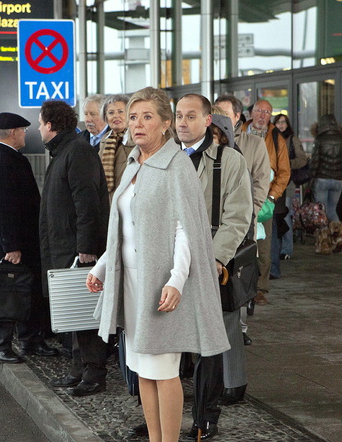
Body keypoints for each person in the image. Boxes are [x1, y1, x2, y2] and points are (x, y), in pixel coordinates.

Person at [87, 87, 229, 442]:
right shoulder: (134, 163)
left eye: (147, 116)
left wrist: (177, 280)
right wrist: (102, 267)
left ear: (166, 123)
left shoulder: (176, 166)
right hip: (133, 284)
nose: (137, 124)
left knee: (164, 371)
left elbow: (187, 232)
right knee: (142, 371)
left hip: (160, 284)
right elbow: (123, 229)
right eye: (133, 117)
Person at [176, 94, 252, 439]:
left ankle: (206, 417)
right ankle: (160, 415)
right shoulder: (163, 159)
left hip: (211, 263)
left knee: (210, 344)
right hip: (168, 264)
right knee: (168, 344)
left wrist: (217, 259)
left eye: (190, 116)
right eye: (178, 115)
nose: (182, 122)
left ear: (208, 120)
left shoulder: (228, 160)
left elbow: (238, 217)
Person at [39, 100, 110, 397]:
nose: (40, 128)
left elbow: (87, 203)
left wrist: (87, 247)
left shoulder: (77, 151)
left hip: (76, 250)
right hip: (63, 246)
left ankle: (94, 374)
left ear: (52, 124)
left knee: (85, 314)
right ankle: (79, 369)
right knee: (74, 314)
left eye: (41, 122)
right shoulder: (65, 150)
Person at [0, 112, 57, 364]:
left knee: (26, 290)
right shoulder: (2, 161)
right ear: (13, 133)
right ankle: (0, 345)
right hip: (14, 246)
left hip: (24, 242)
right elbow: (3, 208)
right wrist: (11, 246)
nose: (26, 133)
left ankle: (31, 340)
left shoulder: (8, 156)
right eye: (23, 130)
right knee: (7, 291)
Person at [215, 95, 270, 345]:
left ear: (238, 117)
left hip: (243, 221)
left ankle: (240, 328)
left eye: (225, 113)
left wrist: (252, 212)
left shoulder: (253, 145)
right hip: (216, 223)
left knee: (240, 273)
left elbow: (261, 182)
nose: (219, 118)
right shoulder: (209, 143)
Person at [243, 100, 290, 305]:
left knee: (263, 245)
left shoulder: (276, 138)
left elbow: (284, 172)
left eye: (267, 112)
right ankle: (241, 286)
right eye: (260, 111)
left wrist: (271, 197)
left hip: (264, 200)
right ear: (251, 112)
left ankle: (260, 288)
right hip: (239, 197)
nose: (263, 116)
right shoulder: (239, 132)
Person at [272, 114, 308, 262]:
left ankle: (286, 249)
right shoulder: (270, 137)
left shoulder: (292, 139)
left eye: (284, 122)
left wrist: (286, 163)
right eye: (278, 122)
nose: (281, 125)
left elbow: (302, 159)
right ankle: (276, 248)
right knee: (276, 216)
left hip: (288, 183)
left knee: (285, 215)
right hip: (273, 183)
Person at [310, 114, 342, 222]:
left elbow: (314, 163)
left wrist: (311, 179)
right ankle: (338, 236)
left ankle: (323, 238)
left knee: (321, 213)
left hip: (321, 179)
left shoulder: (319, 140)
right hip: (337, 180)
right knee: (331, 211)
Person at [99, 94, 134, 200]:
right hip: (107, 199)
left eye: (120, 111)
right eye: (111, 112)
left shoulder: (136, 139)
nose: (116, 116)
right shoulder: (104, 140)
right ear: (105, 117)